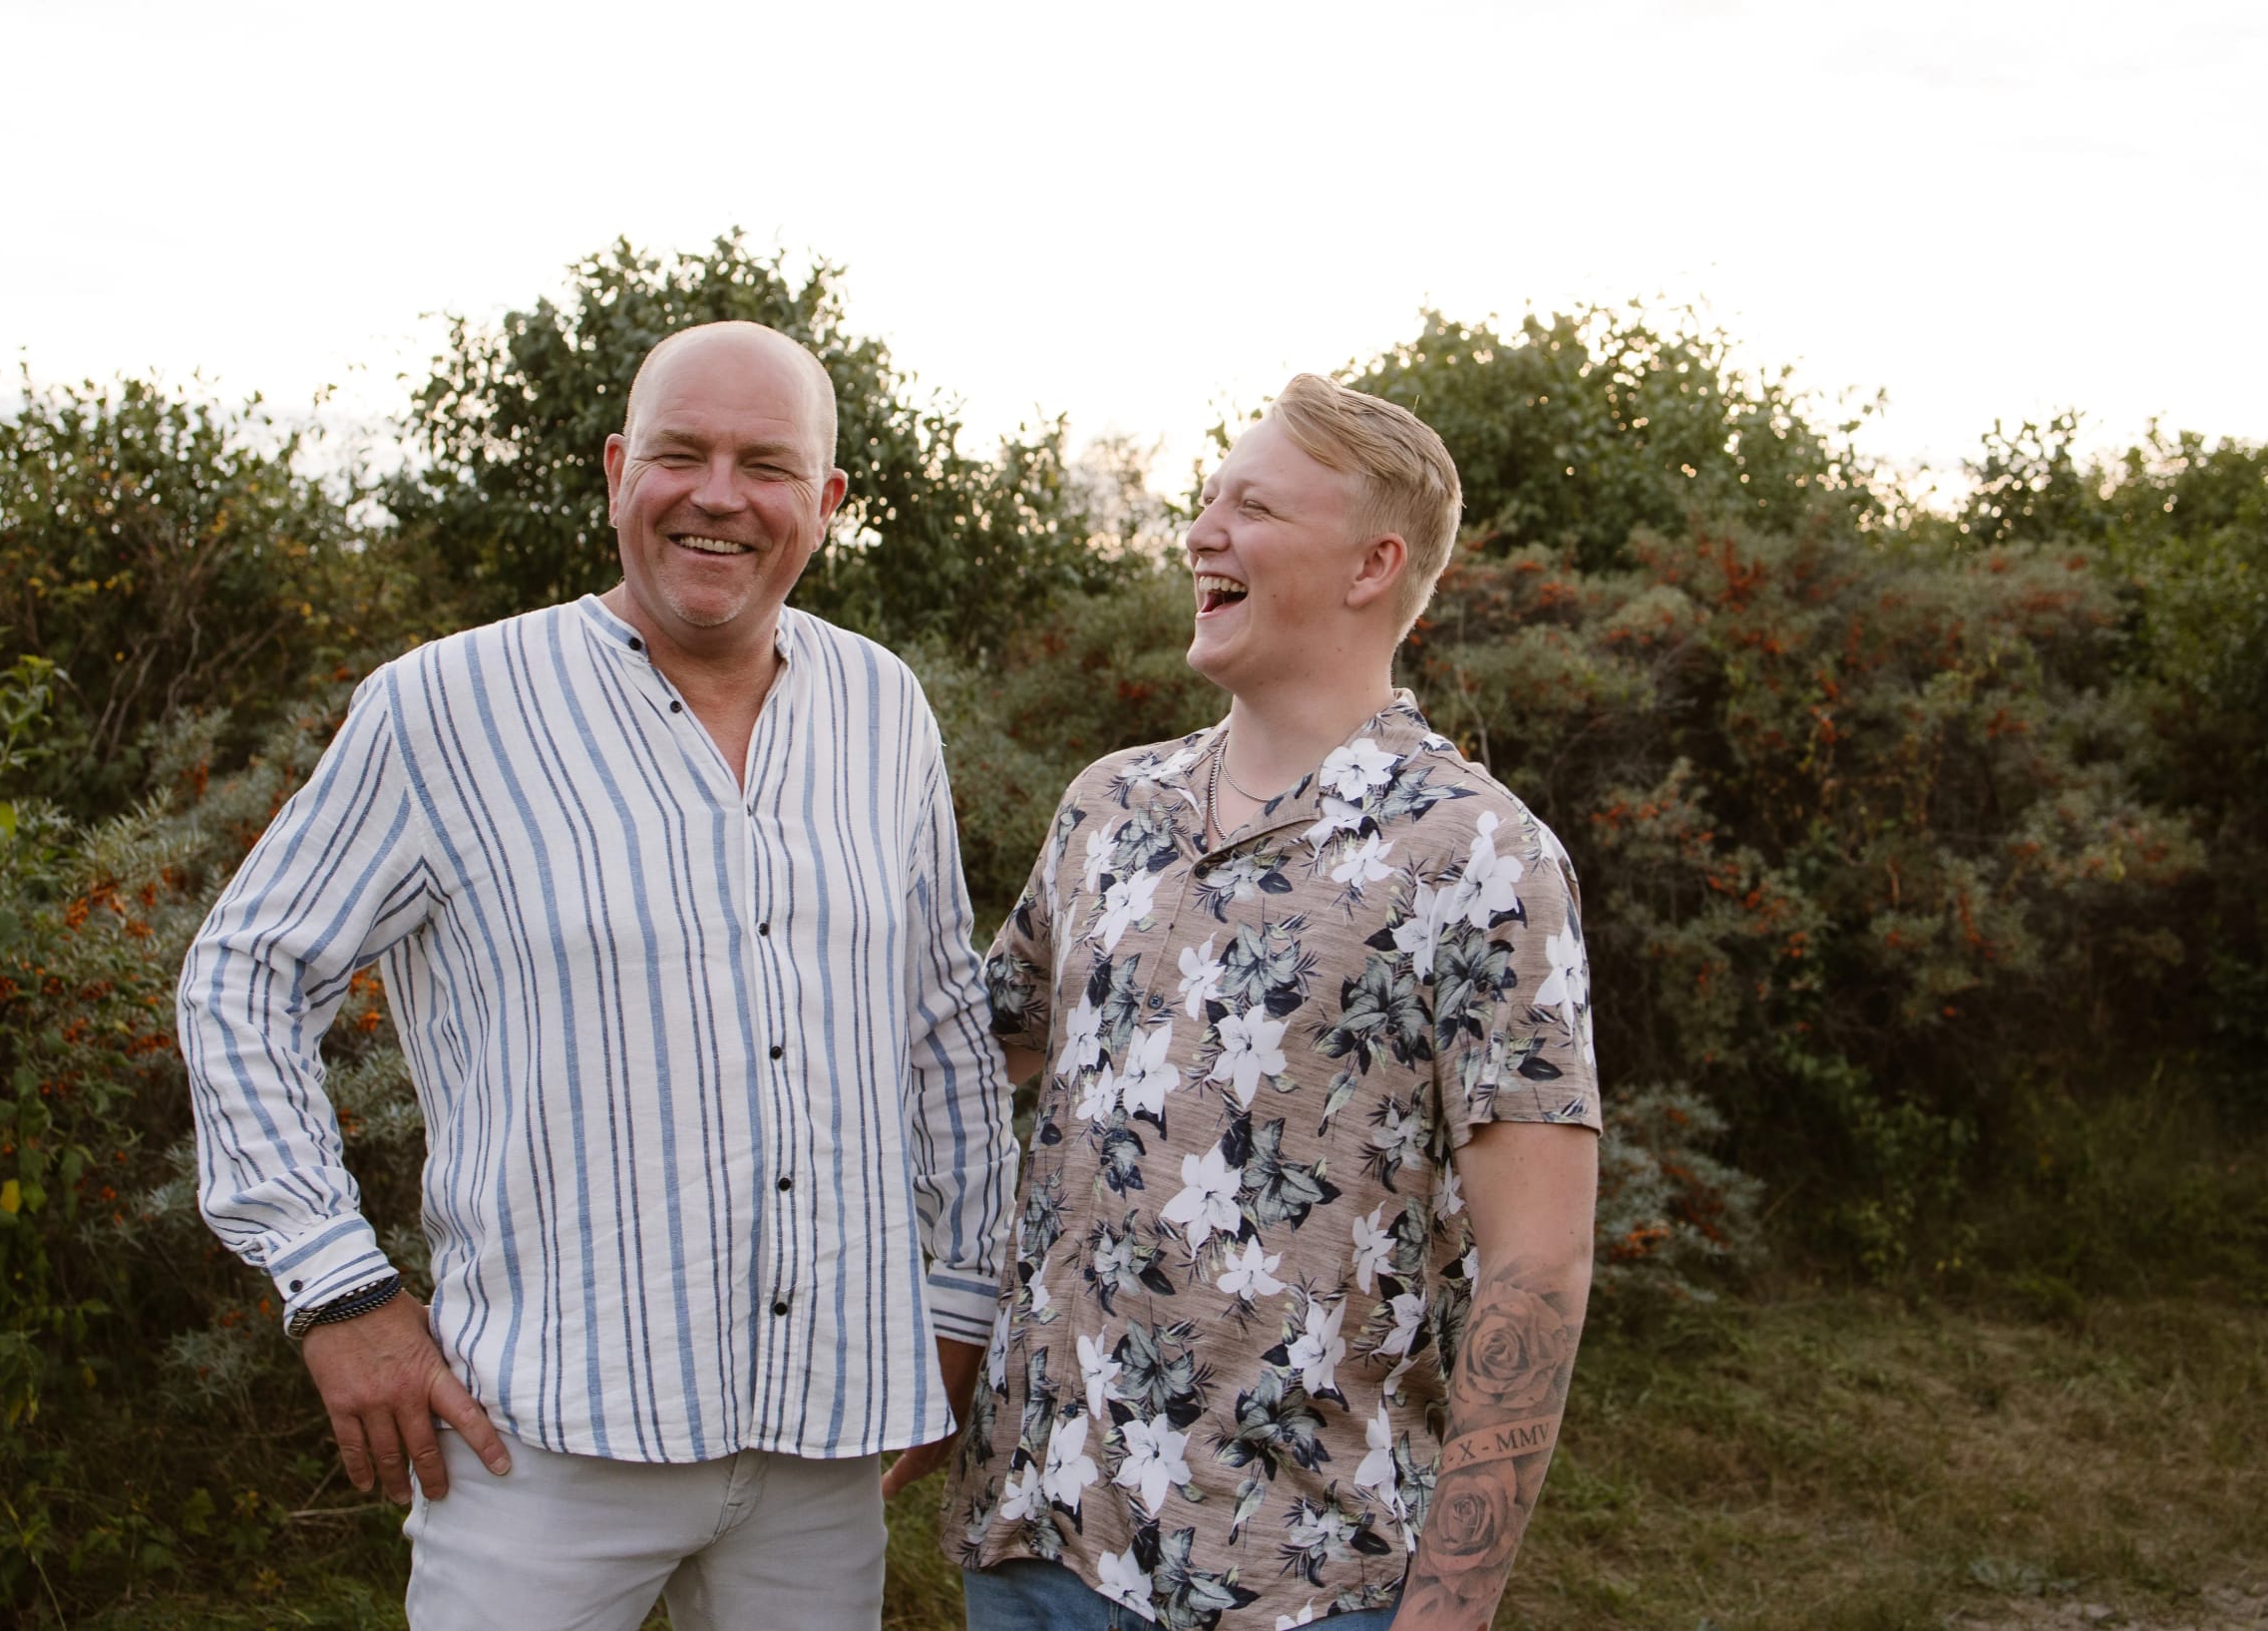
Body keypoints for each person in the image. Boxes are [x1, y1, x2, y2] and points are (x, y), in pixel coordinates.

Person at [178, 320, 1016, 1630]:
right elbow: (243, 972)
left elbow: (938, 1023)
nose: (718, 493)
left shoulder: (880, 704)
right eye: (681, 452)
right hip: (542, 1439)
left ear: (827, 503)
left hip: (821, 1438)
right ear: (621, 470)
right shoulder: (443, 707)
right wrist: (337, 1284)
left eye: (767, 463)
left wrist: (962, 1294)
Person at [939, 375, 1600, 1631]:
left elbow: (1539, 1259)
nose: (1201, 531)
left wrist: (1447, 1615)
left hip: (1299, 1583)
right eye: (1205, 500)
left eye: (1252, 507)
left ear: (1371, 564)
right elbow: (963, 1070)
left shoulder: (1476, 855)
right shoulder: (1108, 808)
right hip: (1033, 1539)